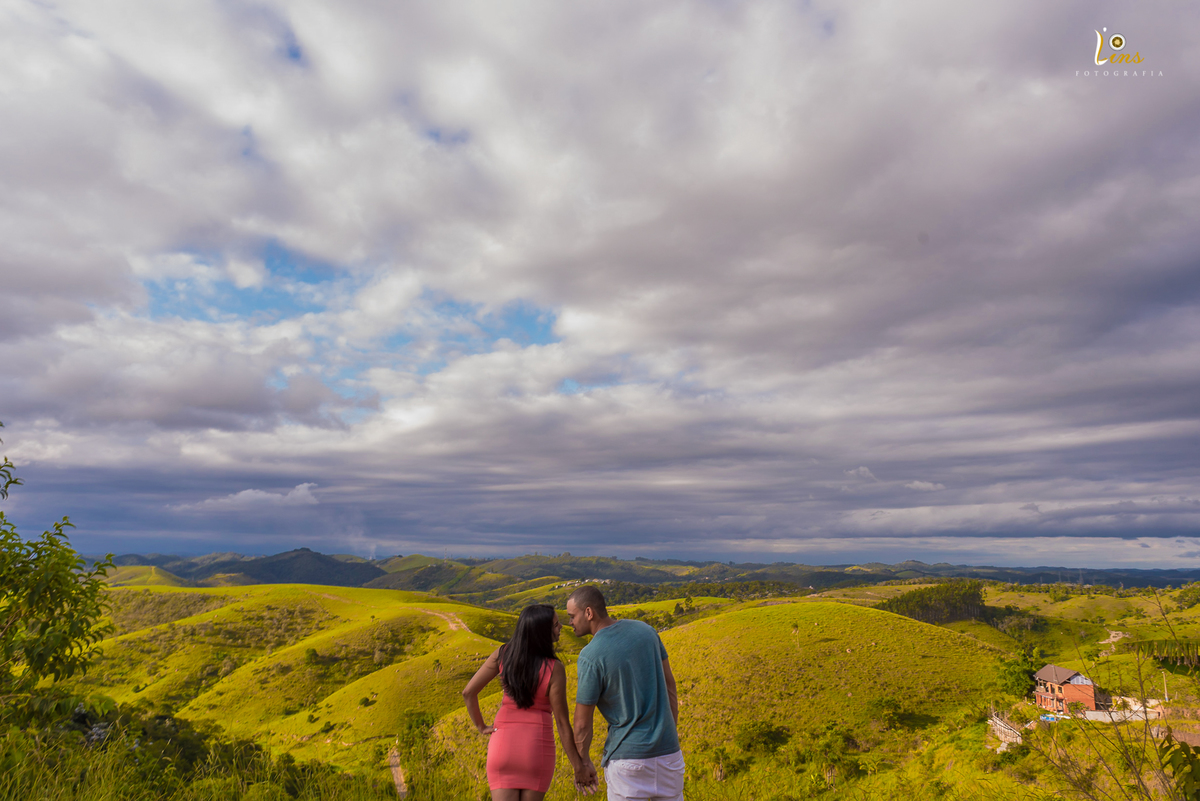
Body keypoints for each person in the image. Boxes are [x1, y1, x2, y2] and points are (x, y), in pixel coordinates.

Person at [463, 603, 593, 800]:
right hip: (536, 750)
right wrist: (578, 767)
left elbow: (468, 692)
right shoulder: (554, 668)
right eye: (556, 625)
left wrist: (481, 726)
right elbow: (562, 724)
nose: (561, 628)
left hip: (502, 748)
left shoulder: (502, 654)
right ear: (542, 632)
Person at [567, 586, 684, 801]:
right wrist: (668, 734)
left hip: (628, 760)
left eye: (572, 616)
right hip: (669, 755)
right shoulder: (647, 631)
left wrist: (583, 763)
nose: (570, 623)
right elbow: (670, 688)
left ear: (589, 613)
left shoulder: (590, 656)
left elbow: (582, 724)